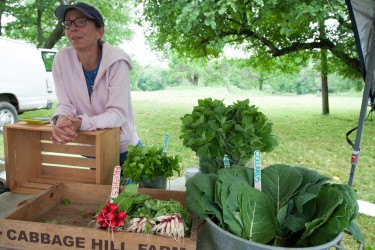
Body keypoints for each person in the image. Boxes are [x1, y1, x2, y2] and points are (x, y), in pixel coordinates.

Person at [50, 2, 141, 166]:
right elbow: (65, 104)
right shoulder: (62, 59)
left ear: (99, 31)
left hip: (122, 149)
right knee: (102, 192)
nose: (72, 28)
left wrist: (81, 123)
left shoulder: (117, 61)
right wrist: (62, 121)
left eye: (81, 21)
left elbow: (118, 114)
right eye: (68, 23)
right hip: (90, 148)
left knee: (128, 191)